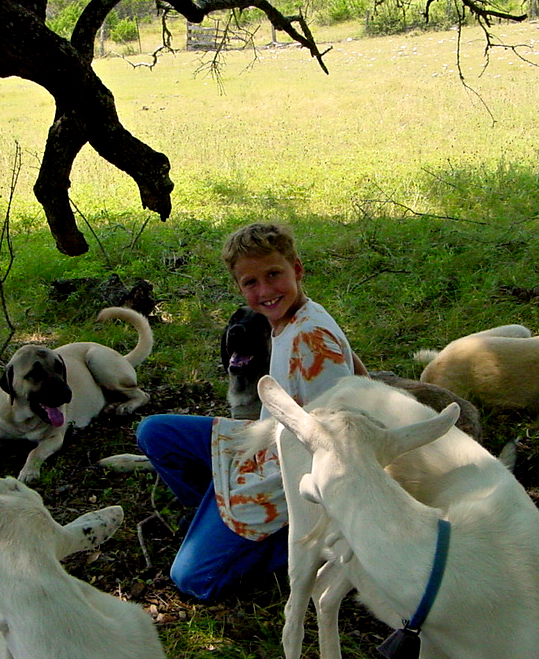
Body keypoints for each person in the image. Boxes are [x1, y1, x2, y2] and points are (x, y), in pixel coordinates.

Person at [137, 223, 367, 601]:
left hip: (282, 474)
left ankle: (306, 543)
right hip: (264, 440)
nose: (264, 291)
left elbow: (335, 441)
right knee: (154, 432)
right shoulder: (293, 318)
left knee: (193, 578)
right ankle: (213, 514)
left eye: (274, 274)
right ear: (239, 287)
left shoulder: (311, 339)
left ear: (297, 268)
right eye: (250, 283)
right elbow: (358, 370)